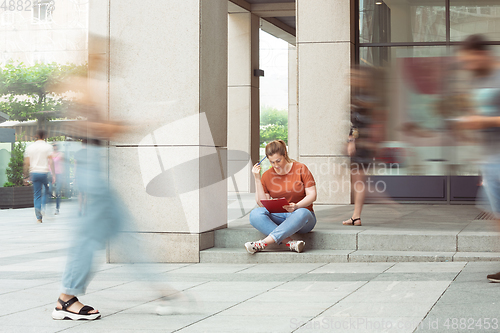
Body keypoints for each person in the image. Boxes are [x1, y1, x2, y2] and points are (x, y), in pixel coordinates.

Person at [456, 34, 500, 283]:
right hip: (490, 159)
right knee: (496, 213)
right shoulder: (476, 82)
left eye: (469, 60)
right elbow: (476, 116)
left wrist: (482, 121)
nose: (467, 66)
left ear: (481, 54)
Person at [245, 140, 317, 254]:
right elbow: (261, 203)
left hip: (302, 217)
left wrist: (297, 206)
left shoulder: (301, 168)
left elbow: (312, 195)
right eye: (272, 162)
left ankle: (263, 243)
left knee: (303, 212)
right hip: (280, 216)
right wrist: (257, 179)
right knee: (255, 214)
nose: (276, 165)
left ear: (285, 154)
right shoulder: (267, 175)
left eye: (278, 161)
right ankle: (290, 243)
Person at [342, 66, 383, 226]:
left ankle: (357, 215)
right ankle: (356, 216)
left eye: (352, 76)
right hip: (364, 145)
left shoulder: (363, 98)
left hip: (361, 146)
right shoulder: (365, 96)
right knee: (358, 181)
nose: (349, 79)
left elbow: (359, 123)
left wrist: (352, 141)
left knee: (358, 181)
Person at [24, 130, 54, 223]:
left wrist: (25, 176)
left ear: (36, 136)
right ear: (44, 136)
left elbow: (26, 163)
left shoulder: (30, 147)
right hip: (44, 172)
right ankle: (43, 208)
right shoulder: (48, 147)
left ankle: (39, 218)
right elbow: (51, 161)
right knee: (47, 191)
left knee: (37, 194)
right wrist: (53, 174)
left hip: (34, 173)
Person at [49, 142, 64, 215]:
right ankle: (49, 207)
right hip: (51, 174)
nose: (54, 146)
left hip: (59, 174)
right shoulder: (50, 154)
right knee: (49, 190)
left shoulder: (61, 154)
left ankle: (57, 208)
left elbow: (64, 165)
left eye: (55, 145)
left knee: (58, 191)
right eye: (53, 145)